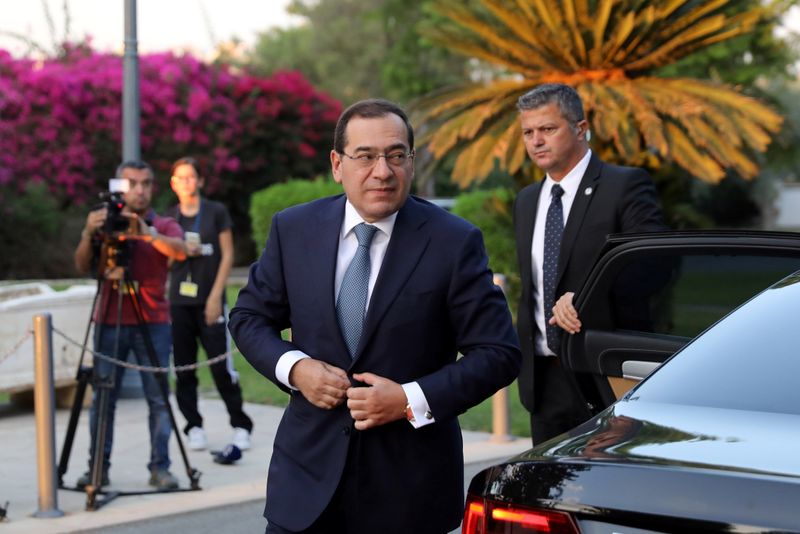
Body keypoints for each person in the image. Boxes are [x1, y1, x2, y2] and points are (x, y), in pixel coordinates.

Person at [229, 98, 521, 534]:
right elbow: (249, 316)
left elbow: (498, 353)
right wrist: (297, 368)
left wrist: (409, 399)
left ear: (412, 162)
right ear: (337, 163)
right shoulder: (293, 229)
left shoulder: (453, 241)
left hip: (408, 492)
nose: (382, 171)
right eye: (365, 156)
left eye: (395, 155)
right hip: (304, 487)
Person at [513, 83, 665, 446]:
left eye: (547, 129)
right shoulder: (527, 200)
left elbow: (653, 266)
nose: (536, 141)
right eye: (528, 133)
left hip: (604, 376)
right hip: (543, 381)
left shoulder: (625, 185)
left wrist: (584, 296)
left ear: (580, 128)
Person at [74, 160, 187, 490]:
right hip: (109, 318)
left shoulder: (163, 224)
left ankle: (160, 468)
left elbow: (180, 251)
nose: (139, 190)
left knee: (158, 398)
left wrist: (147, 234)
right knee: (103, 400)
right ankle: (97, 468)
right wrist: (88, 232)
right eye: (131, 184)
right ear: (117, 188)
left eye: (146, 183)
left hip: (153, 321)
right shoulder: (105, 223)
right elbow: (82, 264)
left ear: (153, 187)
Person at [167, 157, 253, 451]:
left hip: (210, 300)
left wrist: (216, 296)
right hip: (179, 302)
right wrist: (178, 250)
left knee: (220, 368)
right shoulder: (170, 218)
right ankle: (194, 425)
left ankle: (240, 424)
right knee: (184, 368)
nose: (186, 182)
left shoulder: (215, 212)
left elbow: (227, 255)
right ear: (173, 184)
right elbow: (163, 259)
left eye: (191, 177)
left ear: (200, 181)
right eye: (180, 178)